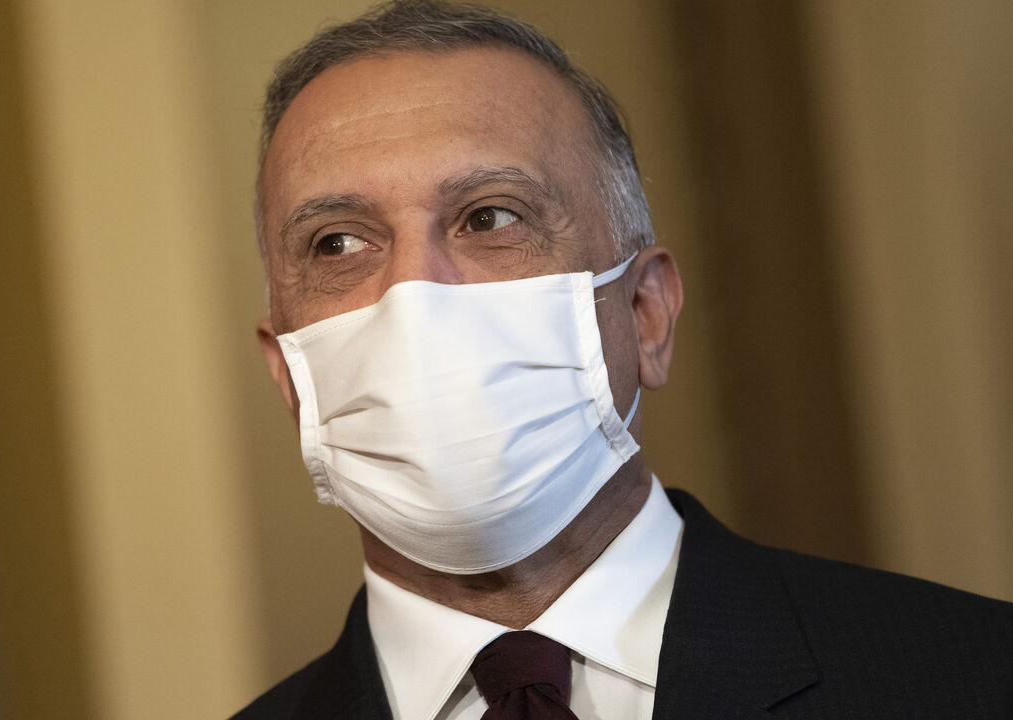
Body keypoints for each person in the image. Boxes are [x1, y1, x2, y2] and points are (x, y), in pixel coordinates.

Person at [235, 2, 1013, 718]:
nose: (414, 295)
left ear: (646, 314)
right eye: (336, 243)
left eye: (490, 217)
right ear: (288, 375)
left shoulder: (974, 678)